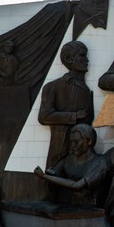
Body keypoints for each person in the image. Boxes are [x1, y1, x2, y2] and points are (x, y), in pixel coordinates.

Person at [38, 40, 95, 168]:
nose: (87, 60)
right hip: (60, 149)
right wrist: (73, 116)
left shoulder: (87, 91)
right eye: (82, 55)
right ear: (69, 59)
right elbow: (44, 117)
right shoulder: (52, 87)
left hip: (81, 153)